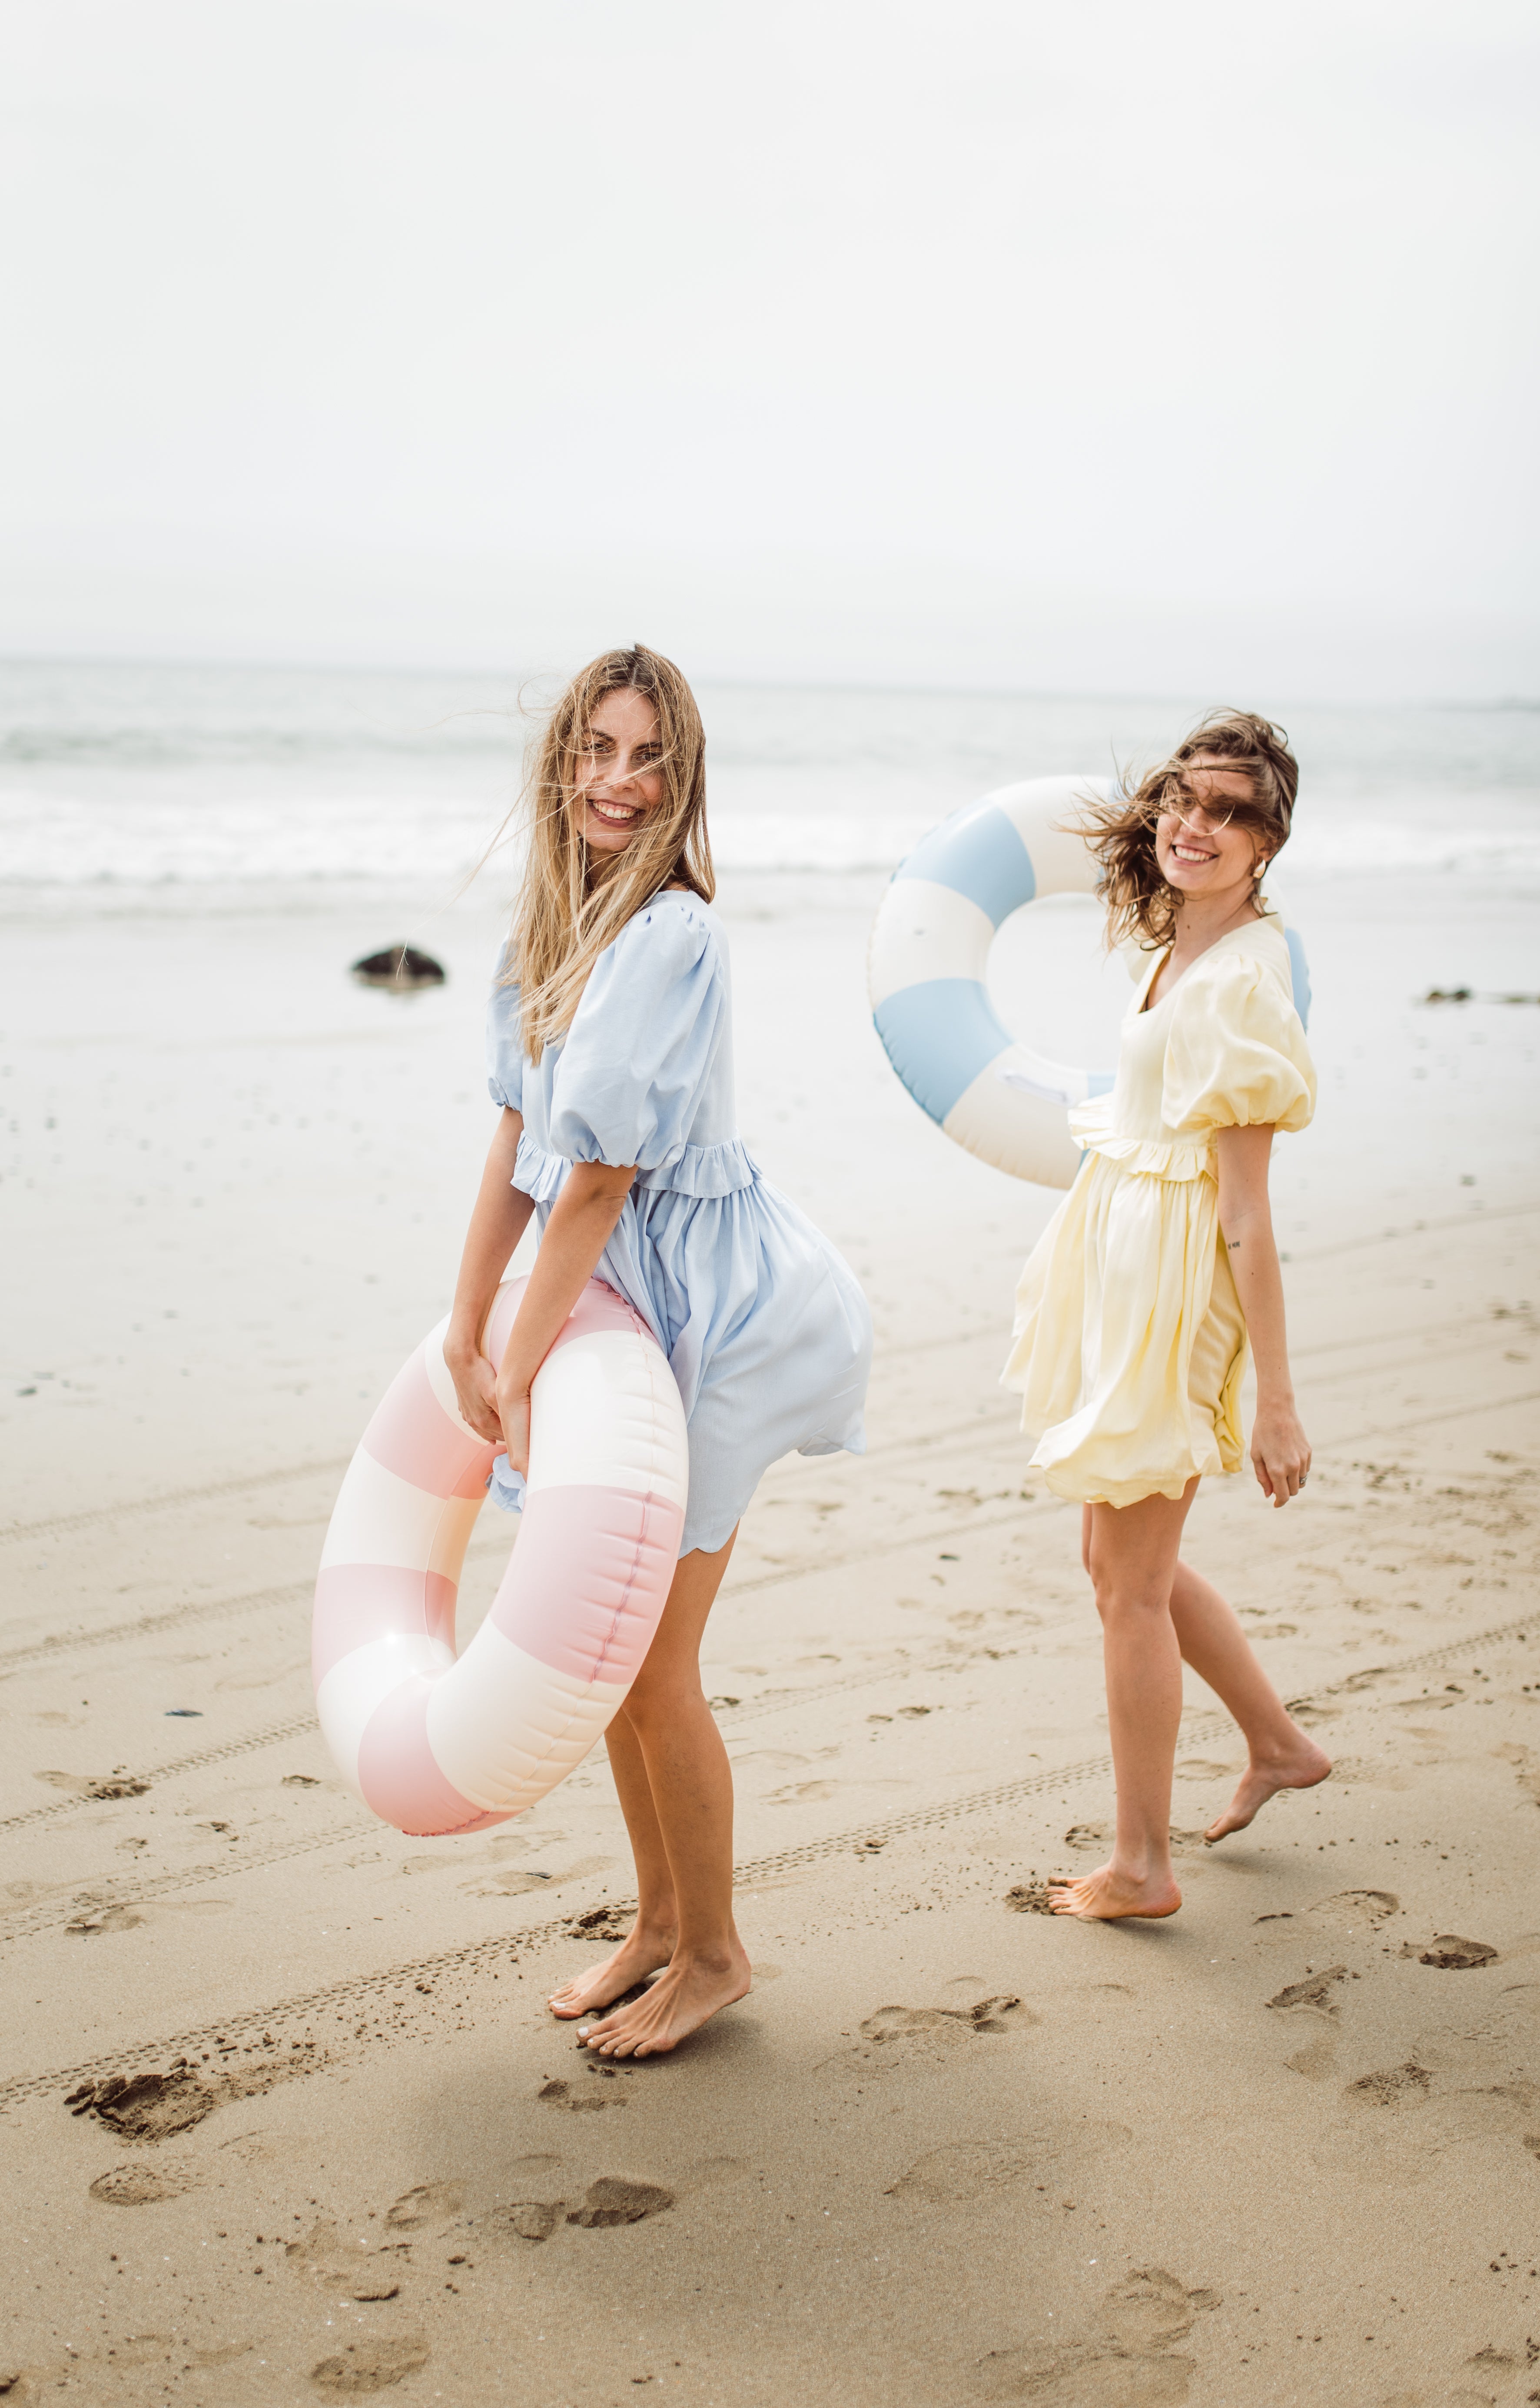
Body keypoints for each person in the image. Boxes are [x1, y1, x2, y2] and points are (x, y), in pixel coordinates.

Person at [445, 645, 871, 2050]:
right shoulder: (548, 928)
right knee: (621, 1648)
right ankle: (660, 1921)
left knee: (652, 1661)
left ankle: (719, 1954)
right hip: (620, 1294)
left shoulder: (675, 932)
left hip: (714, 1309)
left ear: (685, 784)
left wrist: (521, 1346)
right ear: (561, 756)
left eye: (651, 760)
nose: (619, 783)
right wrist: (467, 1321)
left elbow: (604, 1178)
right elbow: (520, 1137)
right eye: (598, 749)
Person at [1002, 710, 1330, 1921]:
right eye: (1189, 799)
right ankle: (1281, 1746)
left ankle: (1143, 1868)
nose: (1201, 825)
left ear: (1269, 839)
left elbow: (1248, 1209)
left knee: (1128, 1586)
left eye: (1234, 811)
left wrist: (1278, 1402)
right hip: (1130, 1265)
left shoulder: (1243, 981)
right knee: (1115, 1559)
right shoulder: (1187, 944)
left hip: (1182, 1287)